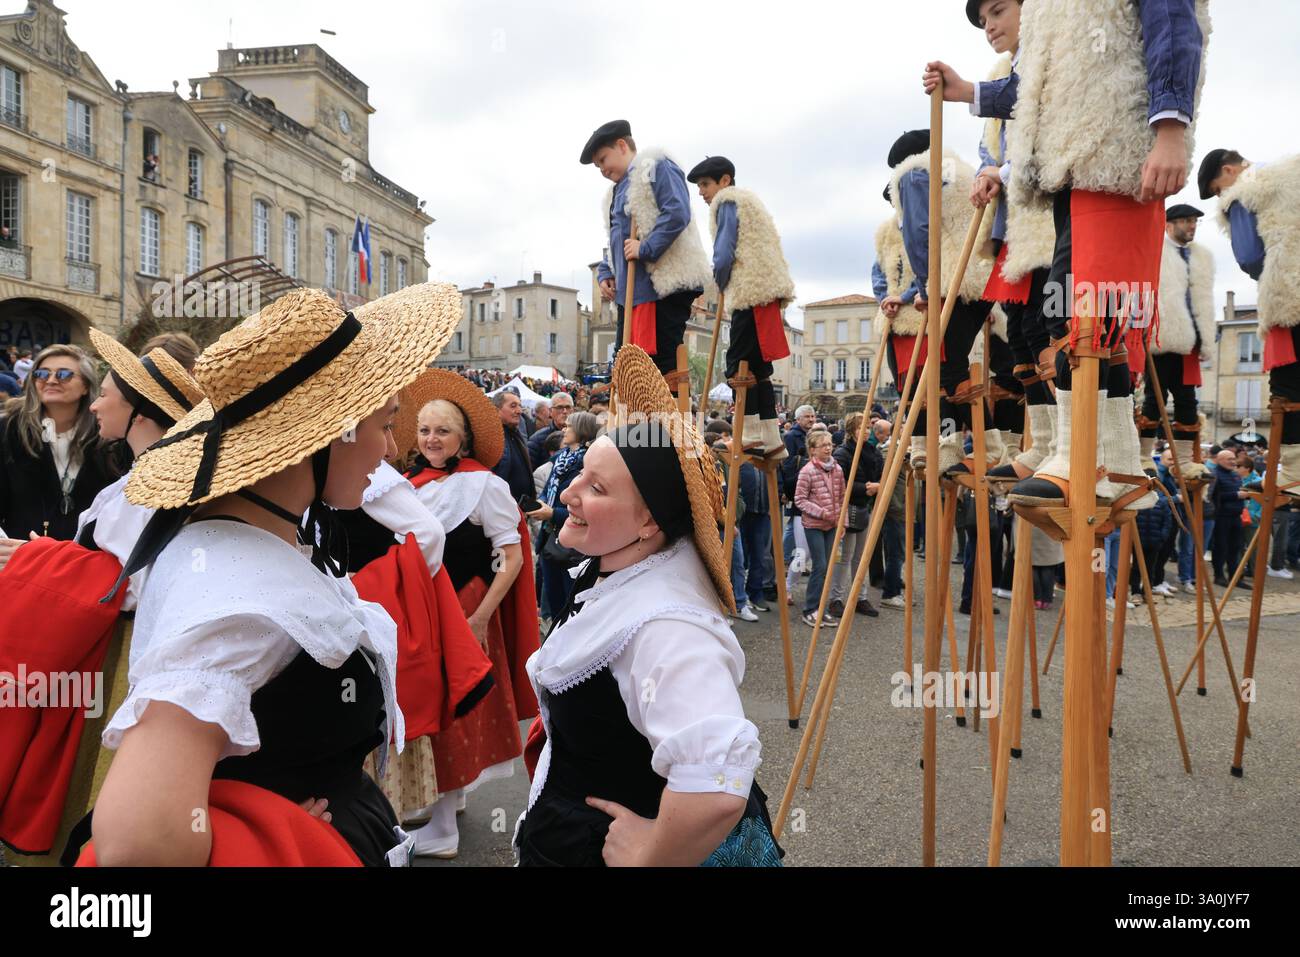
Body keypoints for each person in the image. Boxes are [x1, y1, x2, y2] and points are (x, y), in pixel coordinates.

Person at [73, 283, 464, 868]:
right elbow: (134, 845)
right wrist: (271, 840)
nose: (389, 448)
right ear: (329, 434)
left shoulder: (247, 538)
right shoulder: (236, 601)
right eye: (386, 423)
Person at [931, 0, 1210, 511]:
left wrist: (1171, 129)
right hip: (1070, 173)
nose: (990, 26)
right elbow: (1033, 91)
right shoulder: (1050, 14)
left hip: (1109, 157)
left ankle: (1087, 458)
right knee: (1076, 316)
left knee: (1079, 316)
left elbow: (1173, 24)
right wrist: (969, 92)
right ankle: (1109, 460)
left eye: (996, 12)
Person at [514, 344, 779, 867]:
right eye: (580, 474)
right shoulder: (618, 565)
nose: (569, 493)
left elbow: (717, 781)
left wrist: (652, 855)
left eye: (596, 488)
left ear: (648, 524)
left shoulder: (667, 624)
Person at [0, 331, 203, 864]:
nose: (95, 402)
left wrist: (29, 561)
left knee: (88, 786)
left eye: (105, 393)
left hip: (117, 653)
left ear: (139, 412)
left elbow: (134, 582)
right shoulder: (146, 472)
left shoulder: (157, 481)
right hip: (101, 643)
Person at [402, 369, 541, 858]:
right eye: (424, 430)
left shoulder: (482, 485)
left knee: (450, 708)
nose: (432, 439)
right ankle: (450, 802)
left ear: (462, 438)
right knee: (440, 705)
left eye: (442, 430)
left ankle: (441, 830)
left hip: (464, 607)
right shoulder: (409, 482)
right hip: (428, 611)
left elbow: (514, 556)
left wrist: (481, 617)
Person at [937, 0, 1059, 483]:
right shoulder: (1008, 69)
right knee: (1031, 332)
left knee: (1055, 334)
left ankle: (1066, 447)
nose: (989, 27)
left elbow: (1041, 125)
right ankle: (1048, 444)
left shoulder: (1047, 53)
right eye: (983, 21)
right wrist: (992, 170)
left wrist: (1000, 170)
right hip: (1017, 226)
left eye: (998, 12)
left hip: (1046, 220)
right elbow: (999, 146)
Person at [885, 128, 999, 473]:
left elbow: (921, 232)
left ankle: (985, 447)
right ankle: (981, 446)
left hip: (954, 280)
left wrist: (925, 286)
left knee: (947, 371)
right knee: (953, 369)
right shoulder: (960, 169)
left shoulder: (915, 172)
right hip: (982, 279)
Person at [1202, 147, 1300, 494]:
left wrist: (1272, 274)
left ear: (1230, 172)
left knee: (1288, 388)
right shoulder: (1293, 171)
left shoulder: (1243, 192)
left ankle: (1293, 473)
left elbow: (1249, 256)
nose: (1221, 197)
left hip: (1289, 293)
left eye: (1217, 190)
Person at [583, 120, 711, 377]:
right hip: (631, 294)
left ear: (621, 145)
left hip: (660, 290)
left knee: (661, 371)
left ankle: (664, 419)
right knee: (629, 371)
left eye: (603, 160)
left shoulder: (656, 166)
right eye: (597, 165)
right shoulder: (613, 193)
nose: (602, 170)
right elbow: (617, 238)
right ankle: (637, 420)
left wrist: (647, 248)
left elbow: (676, 211)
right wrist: (606, 271)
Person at [688, 155, 794, 459]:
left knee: (737, 364)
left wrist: (720, 280)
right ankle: (771, 438)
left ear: (725, 181)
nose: (702, 192)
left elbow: (723, 253)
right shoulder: (752, 203)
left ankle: (748, 435)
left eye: (705, 184)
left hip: (749, 290)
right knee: (759, 369)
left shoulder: (728, 202)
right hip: (765, 291)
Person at [0, 344, 121, 545]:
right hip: (20, 559)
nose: (51, 380)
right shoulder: (8, 429)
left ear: (85, 386)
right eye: (41, 374)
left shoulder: (105, 434)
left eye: (64, 374)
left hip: (82, 561)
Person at [533, 410, 602, 620]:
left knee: (570, 606)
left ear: (581, 431)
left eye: (569, 426)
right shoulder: (561, 459)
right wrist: (542, 503)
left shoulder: (587, 463)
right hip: (550, 541)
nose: (564, 429)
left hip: (572, 548)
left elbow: (585, 510)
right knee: (553, 602)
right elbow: (548, 489)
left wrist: (552, 513)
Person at [829, 412, 880, 619]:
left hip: (864, 508)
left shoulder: (873, 451)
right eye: (861, 428)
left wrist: (876, 486)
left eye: (868, 427)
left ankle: (860, 597)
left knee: (861, 557)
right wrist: (865, 488)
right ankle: (836, 599)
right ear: (851, 430)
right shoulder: (843, 453)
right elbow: (839, 484)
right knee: (844, 557)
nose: (866, 431)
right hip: (847, 509)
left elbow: (880, 475)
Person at [795, 430, 845, 628]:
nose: (828, 448)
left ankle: (822, 609)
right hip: (814, 524)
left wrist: (843, 523)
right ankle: (810, 609)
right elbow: (800, 499)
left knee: (829, 566)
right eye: (823, 445)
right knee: (820, 565)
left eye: (830, 444)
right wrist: (821, 512)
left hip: (833, 525)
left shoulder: (837, 469)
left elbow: (842, 497)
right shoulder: (807, 471)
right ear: (813, 450)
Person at [1209, 449, 1249, 588]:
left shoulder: (1235, 475)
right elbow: (1214, 497)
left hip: (1236, 516)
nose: (1233, 462)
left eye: (1234, 459)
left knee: (1236, 548)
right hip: (1222, 517)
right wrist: (1236, 495)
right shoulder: (1215, 475)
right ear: (1220, 460)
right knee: (1220, 547)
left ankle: (1235, 577)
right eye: (1229, 459)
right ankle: (1218, 576)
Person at [490, 388, 535, 501]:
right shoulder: (491, 438)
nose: (519, 411)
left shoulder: (515, 434)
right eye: (513, 406)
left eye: (520, 406)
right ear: (496, 410)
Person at [527, 390, 574, 467]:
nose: (565, 411)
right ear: (550, 411)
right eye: (560, 407)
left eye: (568, 407)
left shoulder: (582, 436)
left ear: (573, 410)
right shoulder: (537, 439)